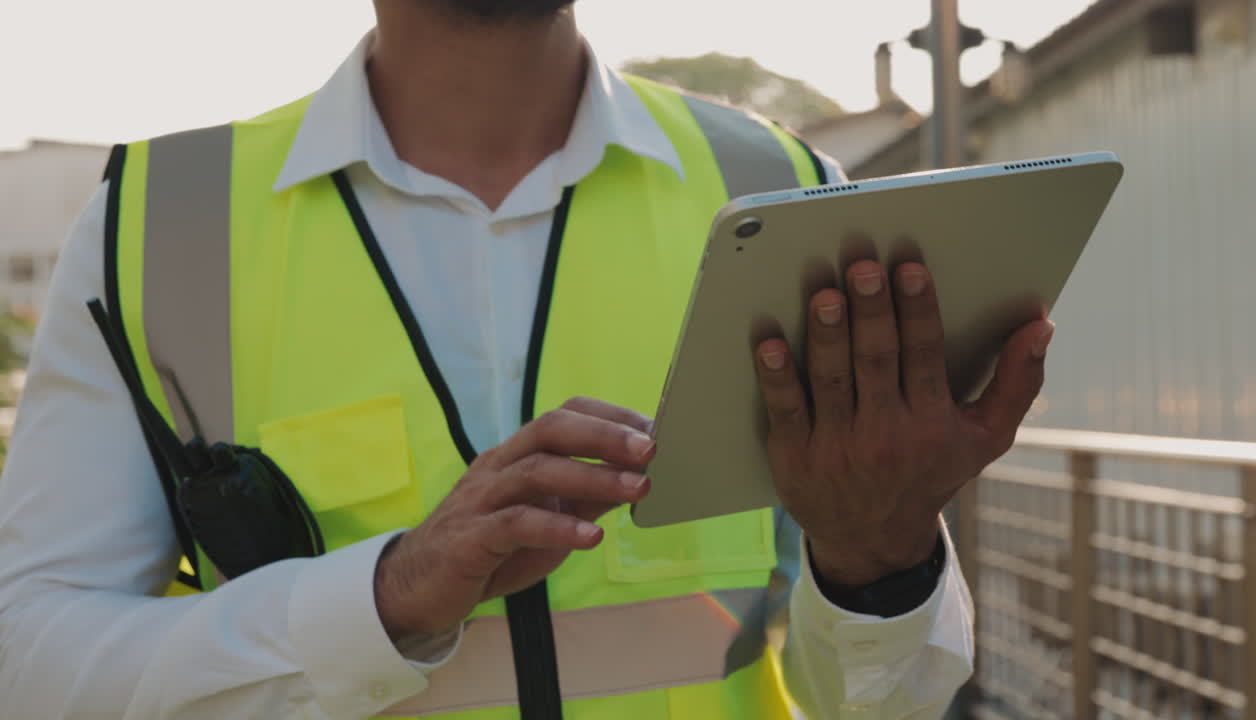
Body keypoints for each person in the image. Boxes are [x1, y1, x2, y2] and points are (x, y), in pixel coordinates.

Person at [0, 1, 1054, 718]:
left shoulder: (772, 186)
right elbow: (31, 663)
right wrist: (383, 597)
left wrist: (878, 561)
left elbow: (885, 698)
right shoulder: (159, 221)